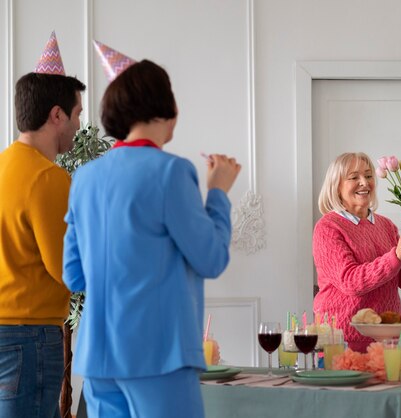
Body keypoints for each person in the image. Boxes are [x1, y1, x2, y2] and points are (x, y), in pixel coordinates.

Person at [62, 60, 240, 418]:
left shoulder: (85, 178)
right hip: (159, 355)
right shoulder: (172, 172)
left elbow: (74, 275)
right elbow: (211, 258)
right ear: (168, 108)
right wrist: (218, 193)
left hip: (98, 359)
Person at [0, 71, 85, 417]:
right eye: (77, 113)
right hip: (30, 338)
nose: (79, 125)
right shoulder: (49, 178)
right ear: (56, 115)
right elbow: (67, 269)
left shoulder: (4, 166)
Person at [312, 152, 401, 352]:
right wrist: (395, 256)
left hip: (388, 342)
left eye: (368, 176)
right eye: (354, 177)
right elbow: (350, 281)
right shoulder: (328, 227)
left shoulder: (386, 225)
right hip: (342, 343)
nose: (364, 183)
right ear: (336, 185)